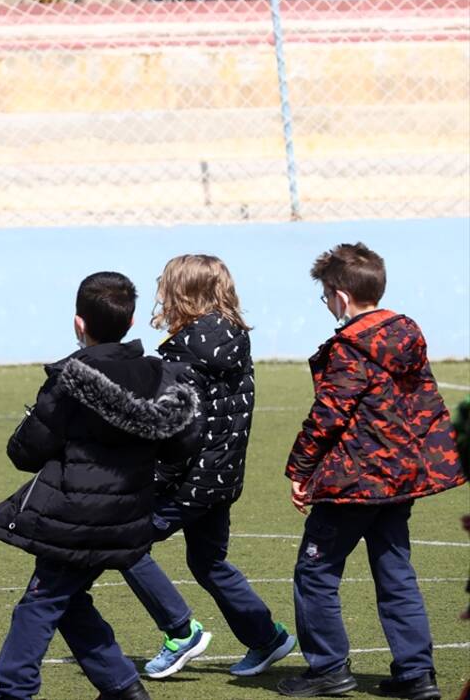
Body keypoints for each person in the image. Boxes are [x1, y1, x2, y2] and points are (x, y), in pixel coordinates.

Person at [0, 272, 201, 700]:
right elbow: (183, 442)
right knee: (68, 601)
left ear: (79, 324)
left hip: (74, 517)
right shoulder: (160, 376)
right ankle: (122, 687)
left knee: (39, 605)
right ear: (131, 323)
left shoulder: (69, 380)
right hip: (129, 517)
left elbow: (26, 451)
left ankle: (14, 692)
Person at [277, 242, 465, 699]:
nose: (326, 305)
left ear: (341, 296)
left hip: (355, 482)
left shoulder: (351, 348)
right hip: (401, 477)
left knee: (315, 573)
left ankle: (327, 667)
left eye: (325, 296)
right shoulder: (407, 333)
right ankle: (417, 675)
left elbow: (328, 415)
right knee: (395, 571)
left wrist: (300, 470)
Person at [119, 255, 295, 679]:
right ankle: (265, 636)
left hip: (189, 482)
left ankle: (180, 631)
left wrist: (154, 478)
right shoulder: (234, 338)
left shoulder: (183, 353)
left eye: (165, 288)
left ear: (181, 294)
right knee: (209, 562)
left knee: (123, 542)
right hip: (221, 477)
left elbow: (183, 431)